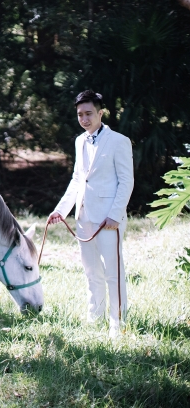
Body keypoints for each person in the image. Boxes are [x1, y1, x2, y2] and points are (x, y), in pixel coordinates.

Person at [48, 90, 134, 338]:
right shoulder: (79, 141)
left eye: (88, 114)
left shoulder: (119, 141)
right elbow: (78, 179)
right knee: (91, 271)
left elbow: (126, 182)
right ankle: (94, 317)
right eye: (80, 115)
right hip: (84, 218)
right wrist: (61, 210)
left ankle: (117, 324)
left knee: (113, 272)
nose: (84, 119)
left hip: (109, 219)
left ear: (100, 113)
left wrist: (115, 215)